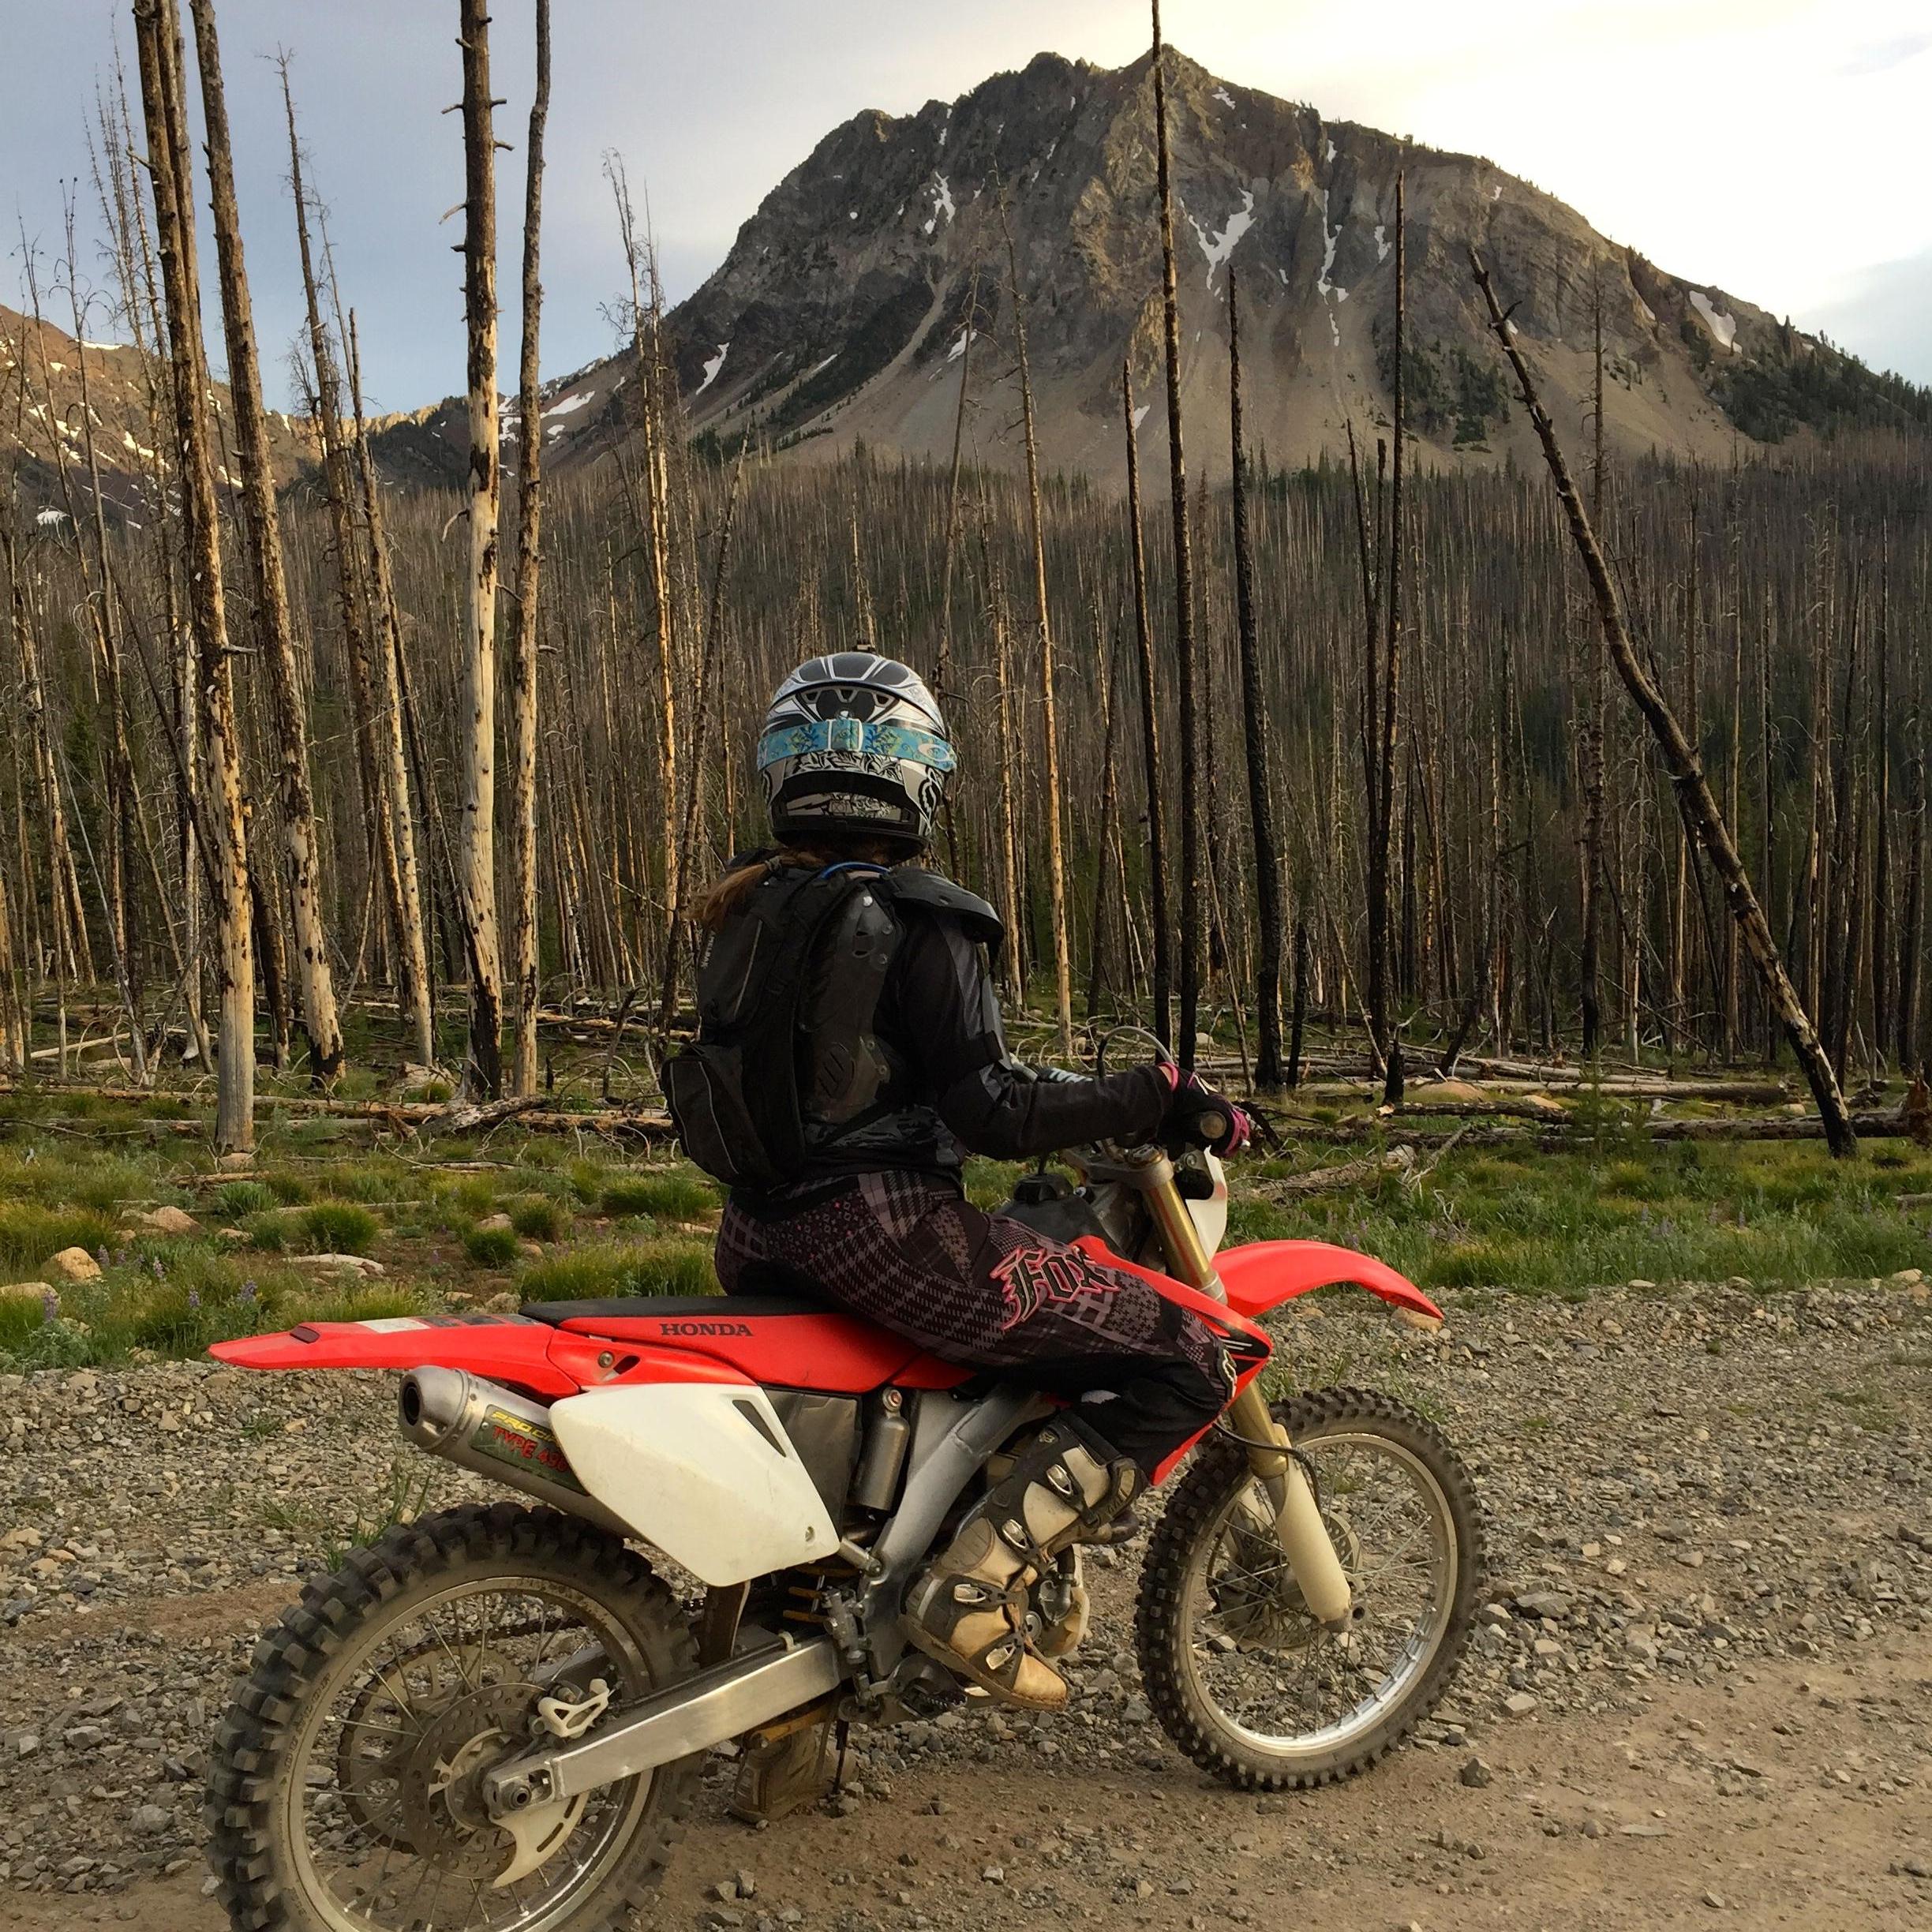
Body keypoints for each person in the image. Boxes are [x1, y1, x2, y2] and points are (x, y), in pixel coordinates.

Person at [680, 652, 1251, 1712]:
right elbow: (987, 1111)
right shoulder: (919, 913)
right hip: (888, 1241)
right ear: (915, 772)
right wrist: (1155, 1090)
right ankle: (975, 1592)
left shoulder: (754, 903)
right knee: (1193, 1354)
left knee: (826, 1480)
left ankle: (793, 1721)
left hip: (758, 1235)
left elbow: (868, 1073)